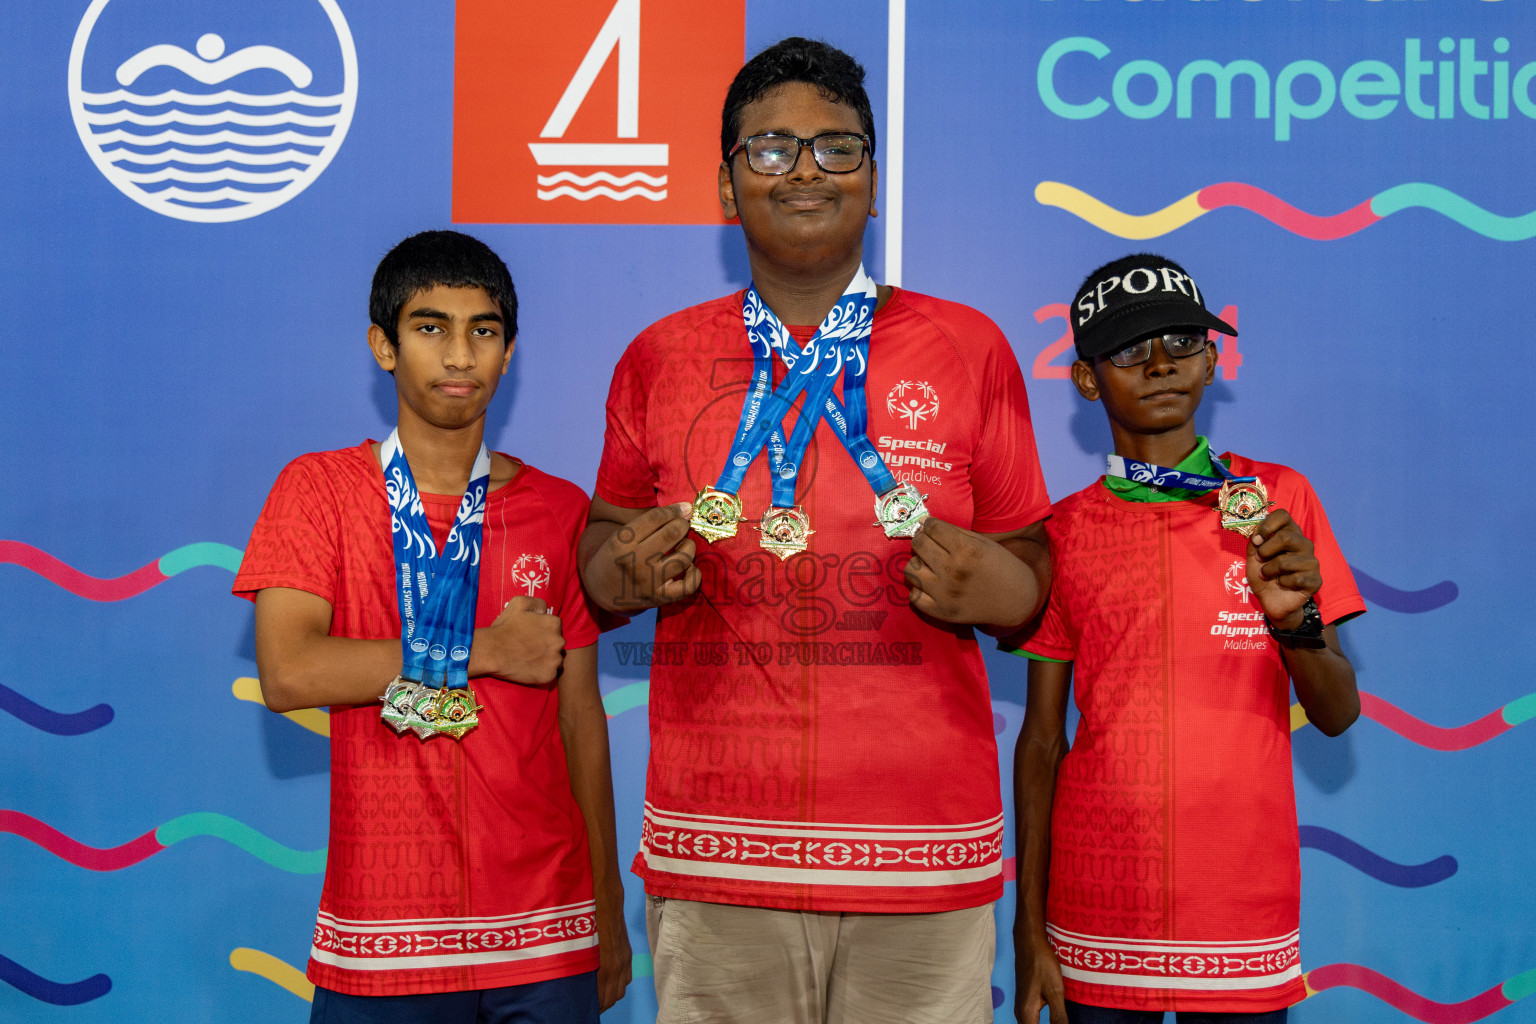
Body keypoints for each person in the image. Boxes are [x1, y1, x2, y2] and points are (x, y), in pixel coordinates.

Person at [579, 37, 1053, 1024]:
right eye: (771, 148)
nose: (803, 171)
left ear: (874, 181)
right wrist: (623, 573)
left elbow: (1036, 567)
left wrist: (1000, 590)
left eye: (836, 148)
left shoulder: (969, 347)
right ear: (725, 183)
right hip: (719, 853)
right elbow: (599, 549)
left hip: (923, 852)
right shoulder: (657, 358)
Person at [232, 231, 630, 1023]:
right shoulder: (316, 490)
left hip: (543, 932)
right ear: (383, 345)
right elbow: (290, 673)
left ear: (509, 352)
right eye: (429, 327)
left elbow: (581, 721)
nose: (459, 355)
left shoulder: (558, 509)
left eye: (483, 331)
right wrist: (483, 650)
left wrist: (608, 908)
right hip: (383, 937)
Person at [1005, 254, 1363, 1024]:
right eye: (1131, 349)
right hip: (1096, 918)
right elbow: (1040, 742)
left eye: (1183, 341)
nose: (1162, 362)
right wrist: (1027, 932)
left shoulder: (1278, 500)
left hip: (1240, 911)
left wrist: (1294, 620)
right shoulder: (1061, 532)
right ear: (1088, 379)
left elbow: (1337, 713)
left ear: (1213, 361)